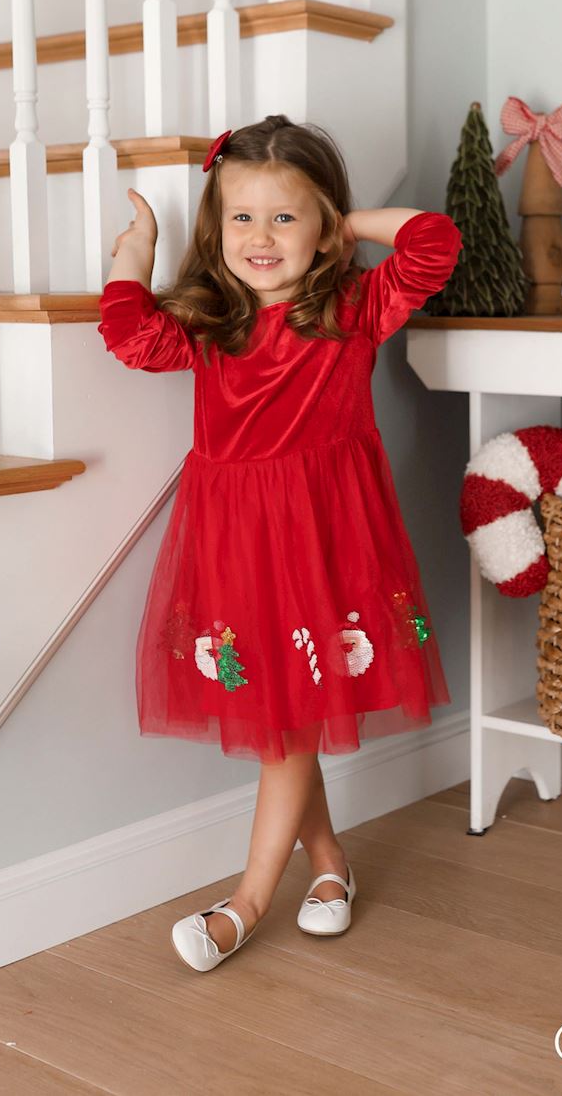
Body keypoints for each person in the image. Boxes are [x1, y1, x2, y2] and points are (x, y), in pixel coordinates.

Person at [96, 114, 462, 973]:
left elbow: (433, 243)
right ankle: (329, 863)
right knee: (284, 713)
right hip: (232, 540)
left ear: (323, 227)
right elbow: (126, 333)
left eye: (286, 217)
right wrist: (136, 250)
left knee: (287, 725)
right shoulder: (210, 322)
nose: (262, 238)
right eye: (242, 219)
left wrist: (346, 222)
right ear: (216, 232)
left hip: (326, 536)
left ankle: (248, 902)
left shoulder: (354, 307)